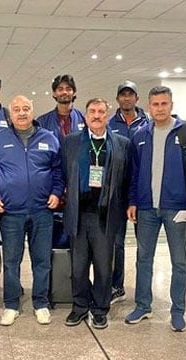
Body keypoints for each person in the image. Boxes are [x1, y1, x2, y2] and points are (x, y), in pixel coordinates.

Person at [125, 86, 186, 331]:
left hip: (177, 208)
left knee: (179, 260)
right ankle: (143, 305)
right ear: (148, 106)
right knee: (143, 258)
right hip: (147, 207)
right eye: (155, 104)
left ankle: (178, 311)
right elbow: (133, 172)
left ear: (171, 105)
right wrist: (132, 200)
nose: (159, 109)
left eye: (164, 104)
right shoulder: (140, 134)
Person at [0, 95, 63, 326]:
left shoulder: (49, 138)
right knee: (11, 261)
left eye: (26, 109)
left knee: (41, 260)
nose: (21, 113)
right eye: (17, 109)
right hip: (10, 212)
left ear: (33, 111)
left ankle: (40, 303)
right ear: (10, 113)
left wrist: (56, 192)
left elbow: (58, 171)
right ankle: (11, 304)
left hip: (42, 211)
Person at [61, 98, 131, 329]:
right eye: (92, 111)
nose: (97, 115)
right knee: (79, 266)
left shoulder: (121, 143)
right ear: (86, 115)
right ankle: (80, 306)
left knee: (103, 266)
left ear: (107, 115)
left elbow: (127, 179)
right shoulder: (71, 143)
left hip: (105, 215)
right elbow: (62, 173)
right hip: (79, 214)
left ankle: (100, 308)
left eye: (101, 111)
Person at [107, 80, 150, 305]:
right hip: (117, 195)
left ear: (136, 98)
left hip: (142, 194)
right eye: (122, 95)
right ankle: (117, 286)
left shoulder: (148, 125)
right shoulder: (109, 124)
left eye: (130, 94)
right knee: (117, 243)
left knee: (144, 247)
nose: (126, 98)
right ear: (117, 99)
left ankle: (144, 293)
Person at [37, 74, 85, 140]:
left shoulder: (84, 119)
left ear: (74, 93)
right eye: (60, 89)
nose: (64, 92)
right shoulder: (42, 122)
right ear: (54, 93)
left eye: (68, 89)